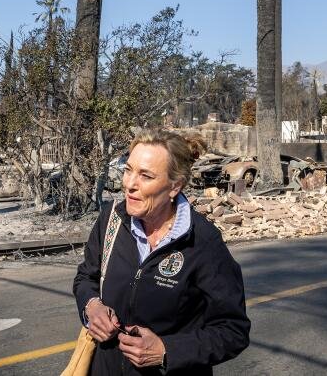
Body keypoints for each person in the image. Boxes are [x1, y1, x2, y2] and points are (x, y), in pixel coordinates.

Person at [73, 129, 251, 374]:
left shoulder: (202, 242)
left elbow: (233, 330)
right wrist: (91, 307)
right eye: (128, 170)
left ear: (174, 187)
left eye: (145, 176)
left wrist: (167, 350)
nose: (129, 185)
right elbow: (86, 277)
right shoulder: (111, 220)